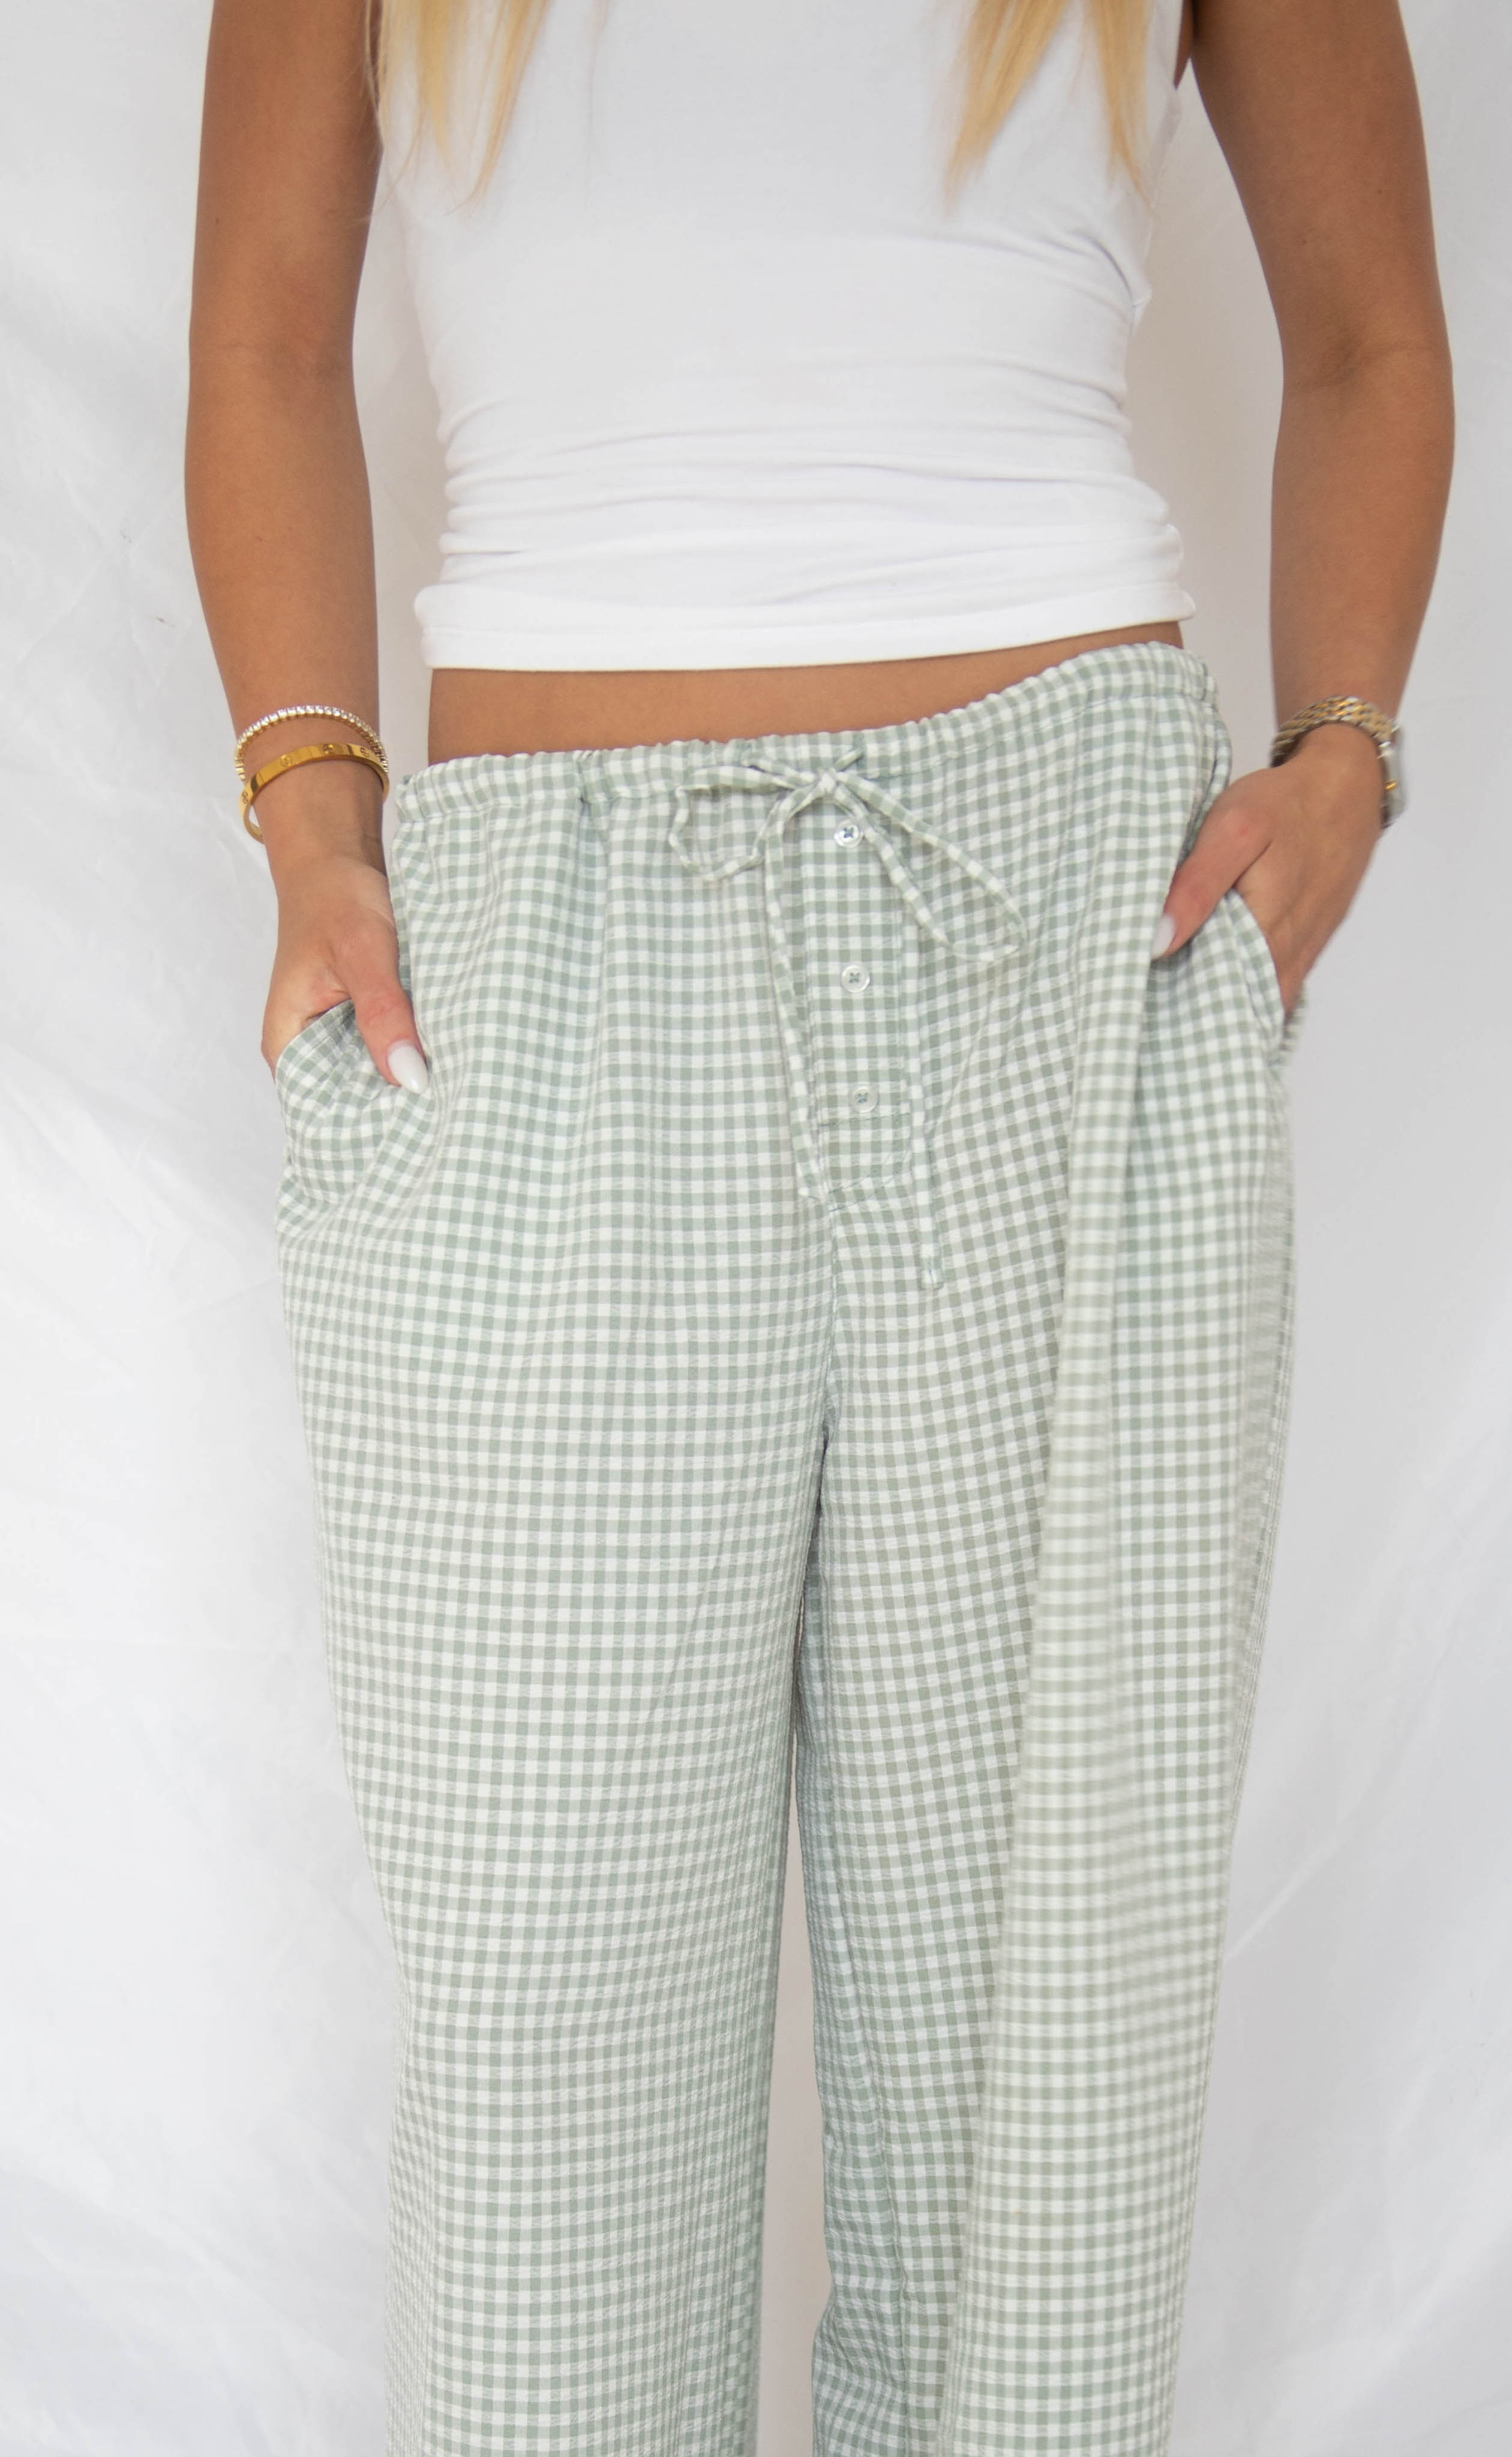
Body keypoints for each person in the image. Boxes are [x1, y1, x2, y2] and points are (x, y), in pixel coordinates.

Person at [185, 1, 1451, 2450]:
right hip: (535, 954)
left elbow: (1376, 329)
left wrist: (1343, 759)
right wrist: (316, 807)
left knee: (1041, 2055)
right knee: (551, 2072)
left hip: (1071, 918)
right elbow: (259, 328)